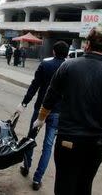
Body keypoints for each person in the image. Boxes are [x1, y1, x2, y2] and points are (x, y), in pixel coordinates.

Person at [33, 26, 102, 195]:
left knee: (64, 185)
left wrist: (41, 119)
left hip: (68, 141)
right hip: (96, 145)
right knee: (84, 185)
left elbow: (50, 97)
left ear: (87, 45)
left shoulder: (68, 67)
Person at [15, 41, 69, 191]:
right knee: (48, 146)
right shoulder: (69, 69)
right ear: (67, 53)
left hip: (40, 109)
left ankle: (26, 166)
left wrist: (24, 103)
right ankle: (37, 179)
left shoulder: (45, 65)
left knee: (31, 137)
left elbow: (34, 86)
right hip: (57, 113)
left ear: (53, 52)